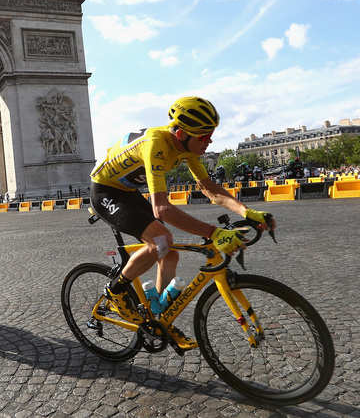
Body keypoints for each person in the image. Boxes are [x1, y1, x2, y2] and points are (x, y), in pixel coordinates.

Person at [89, 96, 276, 351]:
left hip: (128, 191)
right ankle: (116, 291)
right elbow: (162, 209)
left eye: (210, 135)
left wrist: (247, 212)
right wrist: (214, 232)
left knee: (171, 255)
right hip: (105, 191)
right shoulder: (157, 143)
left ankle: (158, 318)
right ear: (180, 134)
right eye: (203, 137)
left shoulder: (187, 148)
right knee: (161, 240)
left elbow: (209, 188)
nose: (208, 141)